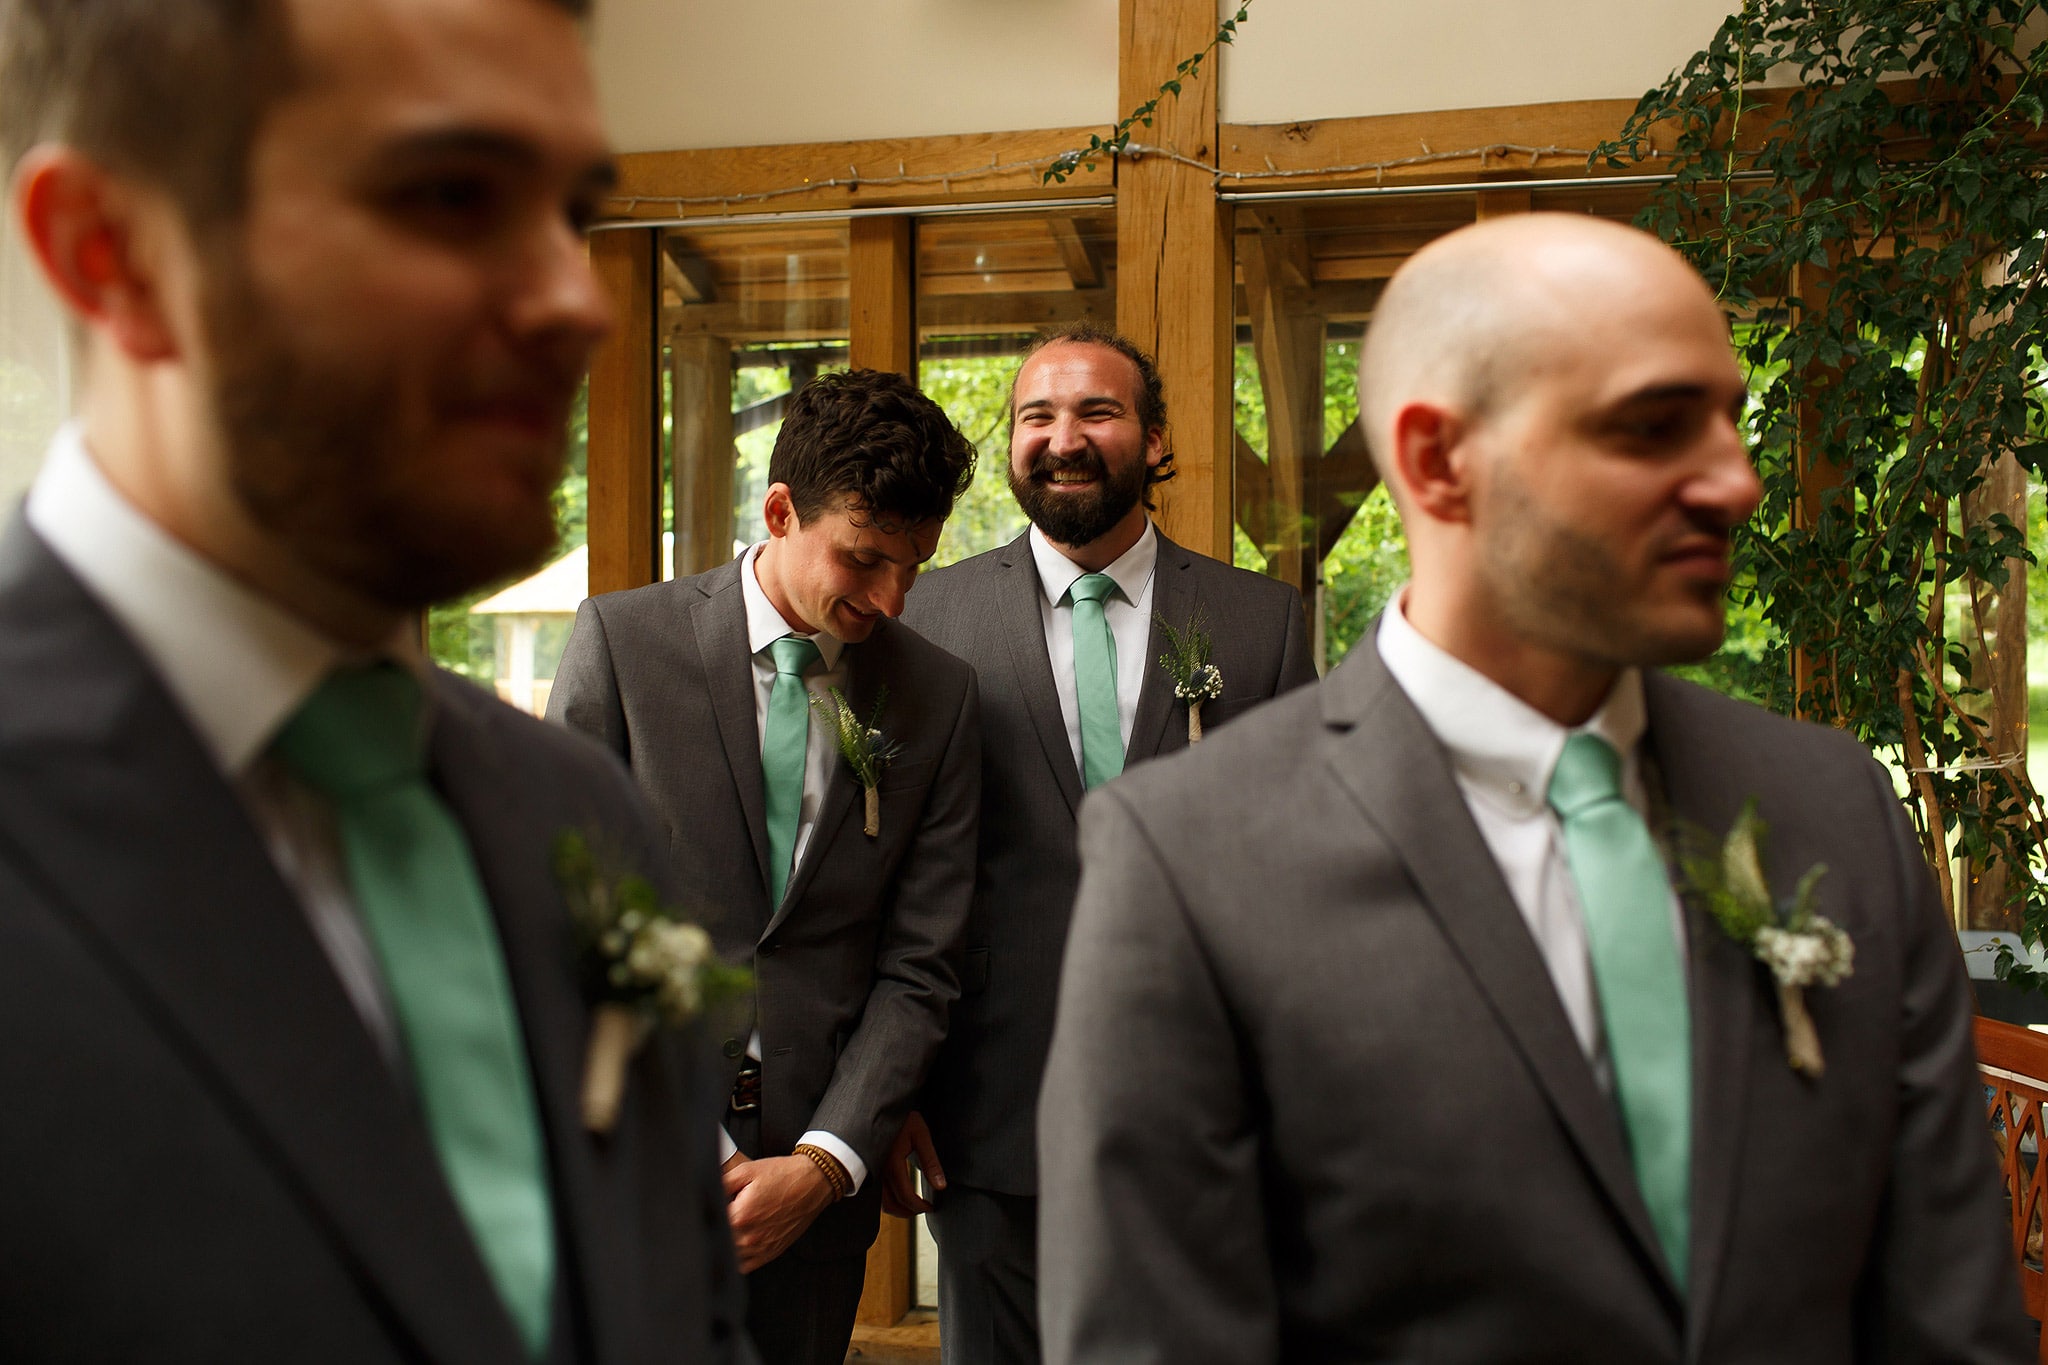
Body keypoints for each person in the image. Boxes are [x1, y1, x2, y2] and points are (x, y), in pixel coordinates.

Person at [1036, 214, 2031, 1364]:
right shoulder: (1188, 862)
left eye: (1726, 419)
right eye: (1654, 426)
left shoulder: (1832, 808)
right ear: (1437, 461)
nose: (1735, 482)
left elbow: (1950, 1319)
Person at [0, 0, 752, 1361]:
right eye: (450, 195)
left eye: (572, 211)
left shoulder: (585, 819)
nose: (577, 302)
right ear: (111, 255)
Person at [896, 321, 1317, 1365]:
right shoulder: (925, 617)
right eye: (1035, 415)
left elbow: (1296, 864)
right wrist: (894, 1088)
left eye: (1095, 410)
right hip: (984, 1107)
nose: (1062, 437)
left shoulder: (1256, 622)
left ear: (1155, 440)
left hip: (1203, 1101)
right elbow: (887, 869)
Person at [551, 366, 980, 1365]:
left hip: (811, 1204)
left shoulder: (935, 697)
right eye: (863, 559)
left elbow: (921, 962)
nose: (889, 596)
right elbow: (559, 915)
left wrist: (827, 1164)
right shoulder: (621, 644)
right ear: (778, 509)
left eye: (913, 564)